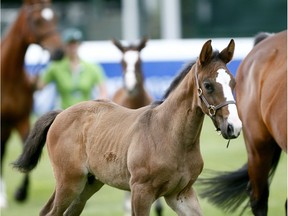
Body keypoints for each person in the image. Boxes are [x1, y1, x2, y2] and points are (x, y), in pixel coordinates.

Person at [38, 28, 108, 109]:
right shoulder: (55, 67)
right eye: (70, 44)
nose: (73, 46)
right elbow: (39, 86)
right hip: (64, 113)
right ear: (64, 45)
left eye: (75, 43)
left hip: (86, 113)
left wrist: (97, 104)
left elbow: (104, 92)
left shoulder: (92, 67)